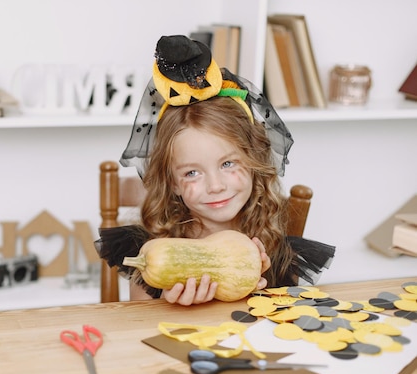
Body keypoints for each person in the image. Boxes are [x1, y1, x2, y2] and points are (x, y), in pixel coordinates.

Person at [96, 34, 334, 305]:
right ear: (172, 182)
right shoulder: (155, 250)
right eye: (192, 173)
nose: (215, 186)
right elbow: (139, 319)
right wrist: (169, 305)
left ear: (254, 160)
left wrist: (254, 289)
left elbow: (282, 323)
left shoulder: (276, 248)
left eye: (228, 164)